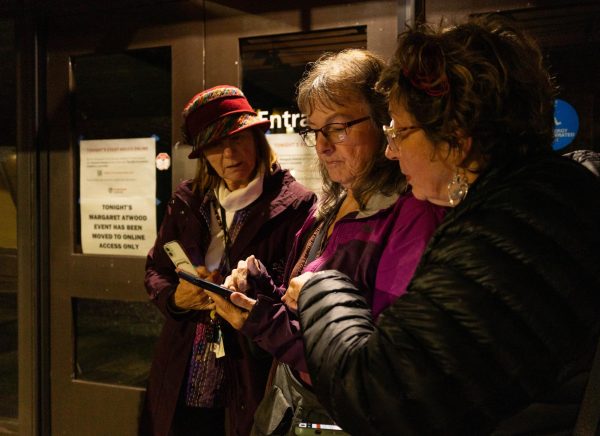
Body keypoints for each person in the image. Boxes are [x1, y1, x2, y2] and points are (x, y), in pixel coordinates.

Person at [291, 16, 600, 435]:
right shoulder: (545, 199)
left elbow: (378, 399)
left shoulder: (503, 231)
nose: (392, 151)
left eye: (400, 131)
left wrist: (322, 286)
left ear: (456, 136)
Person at [206, 49, 446, 435]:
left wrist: (264, 322)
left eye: (338, 127)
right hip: (295, 406)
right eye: (314, 130)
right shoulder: (333, 202)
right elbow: (305, 308)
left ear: (386, 122)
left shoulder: (412, 215)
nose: (322, 146)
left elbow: (377, 366)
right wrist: (263, 291)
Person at [139, 85, 316, 436]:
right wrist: (176, 298)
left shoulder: (296, 205)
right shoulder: (188, 200)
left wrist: (248, 295)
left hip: (250, 365)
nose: (229, 153)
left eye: (238, 139)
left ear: (258, 137)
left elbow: (294, 294)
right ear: (204, 154)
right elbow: (156, 269)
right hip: (182, 366)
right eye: (216, 146)